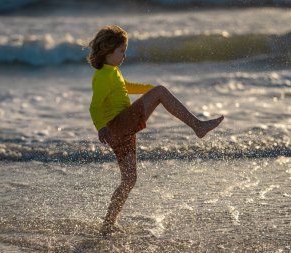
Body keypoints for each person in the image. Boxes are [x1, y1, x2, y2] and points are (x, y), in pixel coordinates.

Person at [88, 25, 224, 235]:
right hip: (119, 125)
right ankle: (197, 125)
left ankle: (108, 223)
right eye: (121, 51)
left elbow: (126, 86)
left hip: (121, 132)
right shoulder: (102, 77)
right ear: (108, 51)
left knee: (129, 180)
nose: (124, 55)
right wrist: (101, 127)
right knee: (161, 92)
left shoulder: (112, 72)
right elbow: (95, 106)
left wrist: (148, 88)